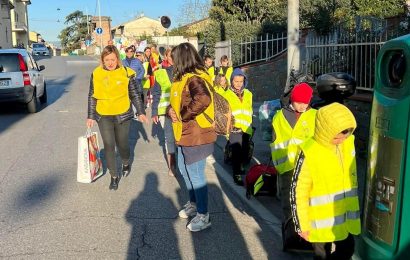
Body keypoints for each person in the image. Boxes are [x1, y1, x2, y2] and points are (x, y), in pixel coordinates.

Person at [290, 102, 360, 259]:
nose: (341, 140)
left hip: (343, 217)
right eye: (337, 137)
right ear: (325, 131)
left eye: (346, 135)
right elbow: (298, 189)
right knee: (322, 256)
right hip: (318, 222)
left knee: (347, 249)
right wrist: (301, 224)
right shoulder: (309, 151)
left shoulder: (347, 143)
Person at [167, 42, 216, 232]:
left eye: (173, 58)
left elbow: (203, 99)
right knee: (183, 168)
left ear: (181, 59)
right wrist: (171, 111)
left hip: (196, 134)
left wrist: (184, 115)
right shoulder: (183, 77)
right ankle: (194, 203)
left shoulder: (194, 78)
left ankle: (204, 215)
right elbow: (177, 103)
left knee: (195, 174)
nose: (171, 61)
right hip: (184, 133)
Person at [87, 45, 148, 190]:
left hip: (122, 114)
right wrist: (90, 116)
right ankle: (114, 176)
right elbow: (91, 95)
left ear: (117, 59)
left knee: (122, 144)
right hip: (103, 115)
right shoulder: (96, 73)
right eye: (106, 60)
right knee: (109, 144)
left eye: (112, 59)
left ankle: (126, 162)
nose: (110, 63)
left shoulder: (126, 72)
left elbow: (134, 93)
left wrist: (141, 112)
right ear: (102, 60)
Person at [270, 82, 317, 223]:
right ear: (292, 99)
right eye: (299, 102)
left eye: (305, 102)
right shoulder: (280, 116)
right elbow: (274, 138)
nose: (302, 106)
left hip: (307, 166)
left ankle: (304, 223)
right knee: (288, 197)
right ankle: (289, 224)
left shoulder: (315, 115)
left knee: (305, 196)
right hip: (286, 166)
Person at [223, 68, 253, 185]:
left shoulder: (249, 94)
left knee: (245, 151)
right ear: (231, 81)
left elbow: (249, 110)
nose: (238, 84)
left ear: (244, 81)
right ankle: (237, 174)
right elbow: (225, 113)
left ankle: (239, 164)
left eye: (241, 81)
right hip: (234, 128)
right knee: (237, 151)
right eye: (236, 81)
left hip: (246, 128)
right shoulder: (227, 95)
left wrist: (250, 123)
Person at [151, 51, 176, 177]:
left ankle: (181, 162)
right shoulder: (160, 73)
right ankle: (172, 166)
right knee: (169, 138)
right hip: (164, 112)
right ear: (166, 57)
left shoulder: (183, 71)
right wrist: (154, 111)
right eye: (170, 55)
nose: (173, 58)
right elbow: (156, 93)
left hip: (180, 111)